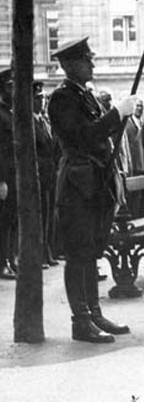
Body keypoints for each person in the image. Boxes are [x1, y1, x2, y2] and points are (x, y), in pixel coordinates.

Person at [47, 37, 137, 343]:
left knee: (91, 252)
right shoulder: (62, 99)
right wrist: (116, 114)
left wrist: (119, 118)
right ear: (69, 64)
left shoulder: (84, 96)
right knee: (78, 254)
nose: (92, 64)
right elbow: (83, 136)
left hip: (94, 183)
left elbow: (100, 135)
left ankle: (95, 314)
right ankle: (81, 321)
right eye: (87, 60)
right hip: (77, 186)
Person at [33, 82, 60, 268]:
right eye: (37, 98)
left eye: (42, 97)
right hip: (38, 176)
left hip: (49, 175)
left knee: (49, 215)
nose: (41, 101)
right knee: (40, 216)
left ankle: (47, 251)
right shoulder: (29, 123)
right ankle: (40, 254)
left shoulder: (44, 121)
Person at [0, 68, 16, 279]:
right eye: (10, 87)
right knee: (4, 222)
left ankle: (11, 259)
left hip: (14, 176)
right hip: (5, 177)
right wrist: (1, 179)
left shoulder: (11, 114)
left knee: (12, 220)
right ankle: (3, 262)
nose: (14, 91)